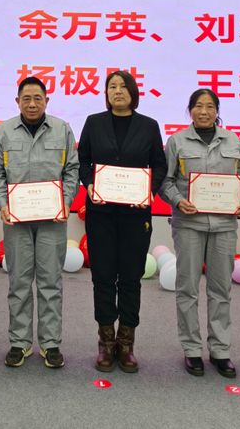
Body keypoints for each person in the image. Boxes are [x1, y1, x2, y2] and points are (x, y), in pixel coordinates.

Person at [77, 70, 168, 373]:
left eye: (122, 86)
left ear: (133, 92)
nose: (117, 91)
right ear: (106, 93)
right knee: (103, 276)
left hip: (135, 214)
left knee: (130, 278)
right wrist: (90, 183)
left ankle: (126, 343)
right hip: (101, 213)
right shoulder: (94, 122)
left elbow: (159, 165)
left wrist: (150, 192)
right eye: (112, 86)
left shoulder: (149, 126)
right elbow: (83, 161)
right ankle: (105, 342)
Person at [0, 76, 79, 369]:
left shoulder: (62, 130)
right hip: (17, 220)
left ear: (46, 101)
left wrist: (66, 202)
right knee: (19, 281)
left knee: (51, 282)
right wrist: (2, 203)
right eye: (26, 99)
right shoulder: (3, 132)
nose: (31, 104)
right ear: (17, 102)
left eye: (37, 98)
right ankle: (19, 342)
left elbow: (72, 170)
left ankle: (51, 344)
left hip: (53, 219)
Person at [160, 88, 240, 378]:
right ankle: (191, 349)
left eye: (210, 106)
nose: (204, 111)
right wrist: (177, 200)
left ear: (217, 111)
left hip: (224, 226)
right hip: (189, 224)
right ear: (190, 110)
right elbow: (164, 181)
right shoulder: (176, 141)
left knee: (221, 290)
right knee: (187, 288)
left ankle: (220, 350)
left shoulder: (232, 141)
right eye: (198, 106)